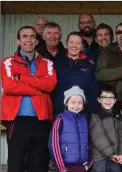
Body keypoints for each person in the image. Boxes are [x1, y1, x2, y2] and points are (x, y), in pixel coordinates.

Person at [1, 26, 57, 172]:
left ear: (37, 41)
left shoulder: (47, 63)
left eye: (32, 36)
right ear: (18, 41)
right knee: (15, 163)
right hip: (17, 119)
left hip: (41, 119)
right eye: (24, 36)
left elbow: (50, 85)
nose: (29, 40)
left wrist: (22, 78)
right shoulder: (8, 62)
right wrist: (38, 90)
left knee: (37, 163)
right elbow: (9, 87)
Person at [52, 32, 99, 115]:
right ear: (66, 44)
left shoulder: (90, 63)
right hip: (61, 111)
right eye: (71, 42)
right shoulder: (57, 62)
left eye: (78, 43)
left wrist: (91, 109)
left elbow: (94, 88)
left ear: (82, 46)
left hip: (83, 112)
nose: (74, 46)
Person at [49, 86, 93, 172]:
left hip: (81, 166)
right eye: (73, 102)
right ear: (66, 103)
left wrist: (88, 164)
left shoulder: (84, 120)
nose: (76, 105)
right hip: (65, 166)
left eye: (80, 102)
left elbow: (89, 143)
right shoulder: (60, 119)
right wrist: (61, 167)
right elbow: (54, 144)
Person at [89, 85, 122, 172]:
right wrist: (111, 154)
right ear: (99, 99)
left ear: (115, 100)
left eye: (111, 97)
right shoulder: (95, 116)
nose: (108, 100)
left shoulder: (119, 117)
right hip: (99, 157)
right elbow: (98, 137)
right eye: (104, 97)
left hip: (116, 157)